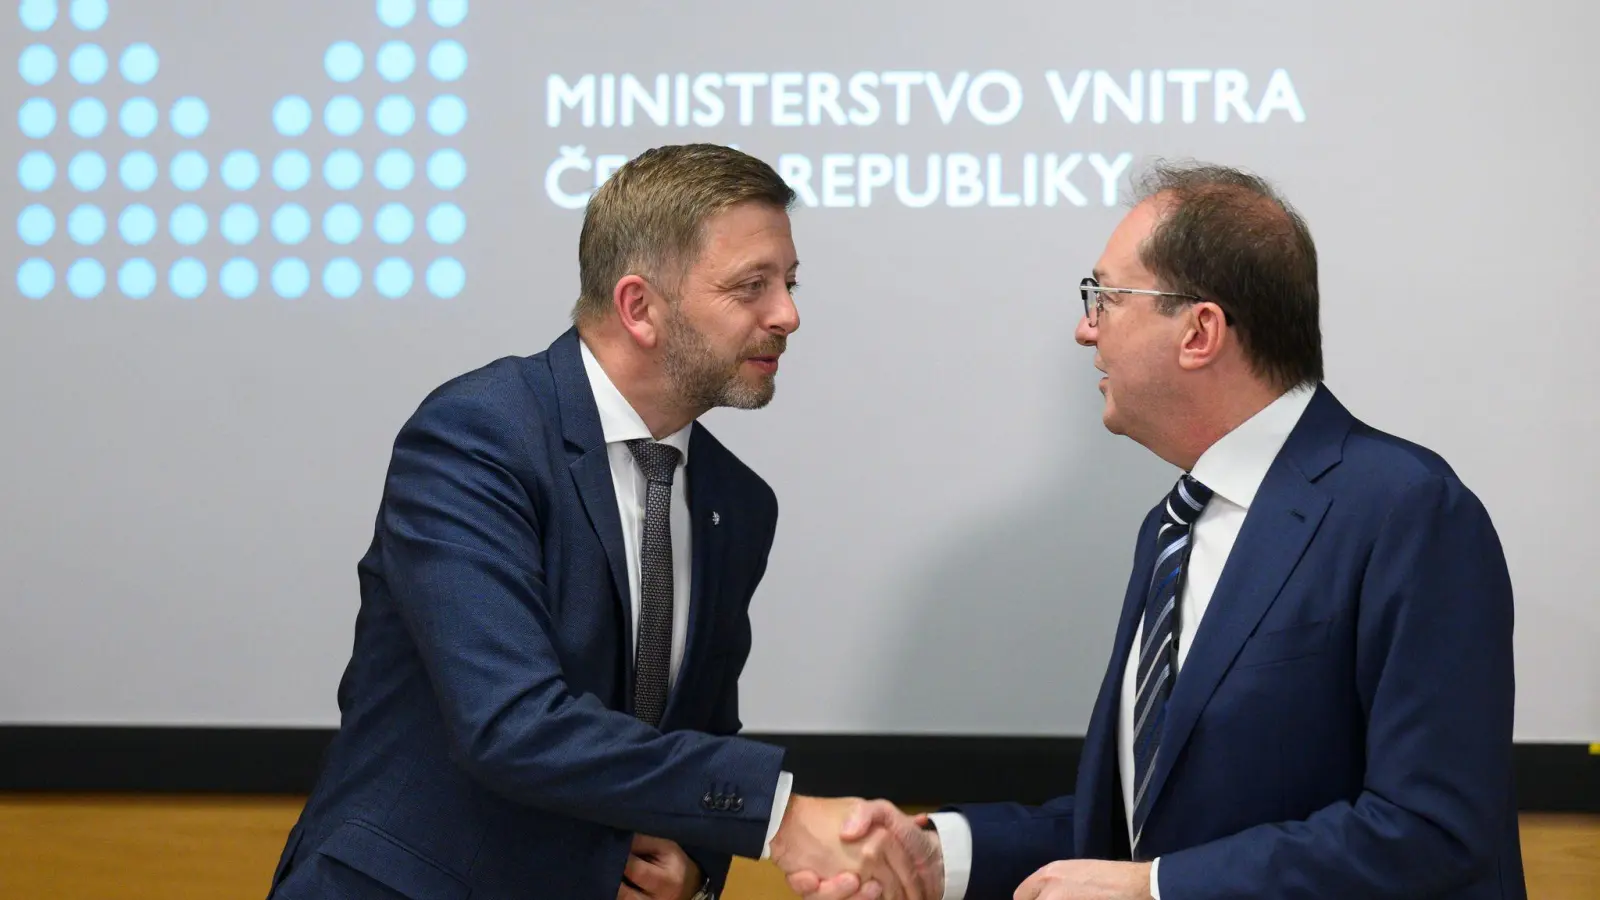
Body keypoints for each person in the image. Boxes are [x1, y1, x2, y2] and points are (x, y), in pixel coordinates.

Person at [788, 161, 1525, 900]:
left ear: (1200, 331)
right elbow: (1151, 828)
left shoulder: (1407, 509)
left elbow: (1433, 829)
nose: (1085, 328)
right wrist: (938, 852)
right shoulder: (1174, 525)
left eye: (1104, 297)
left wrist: (1159, 890)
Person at [266, 144, 921, 900]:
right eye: (753, 287)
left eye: (789, 283)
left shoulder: (736, 503)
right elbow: (511, 723)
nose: (789, 315)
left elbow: (698, 732)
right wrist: (776, 815)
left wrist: (693, 865)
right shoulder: (477, 438)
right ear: (639, 306)